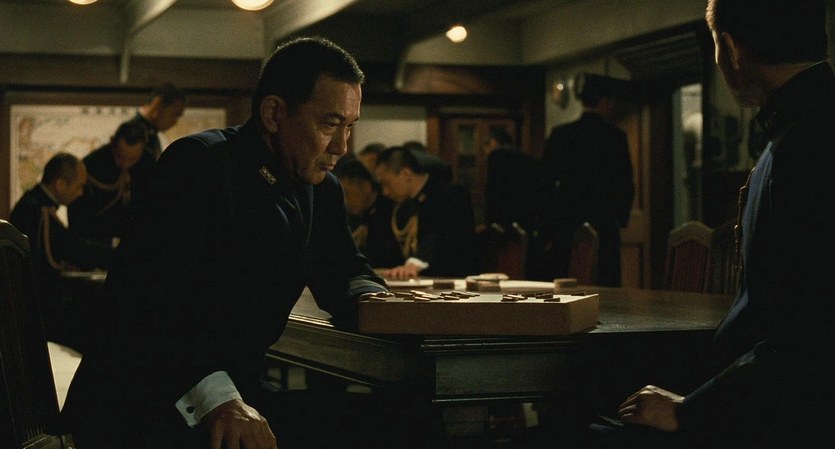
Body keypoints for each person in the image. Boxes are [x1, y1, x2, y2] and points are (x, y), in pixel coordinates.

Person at [61, 36, 390, 449]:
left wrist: (374, 299)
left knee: (391, 420)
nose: (342, 147)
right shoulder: (198, 165)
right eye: (329, 125)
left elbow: (345, 270)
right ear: (274, 113)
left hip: (235, 394)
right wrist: (220, 400)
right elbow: (148, 309)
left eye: (350, 127)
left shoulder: (321, 190)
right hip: (141, 399)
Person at [585, 1, 835, 448]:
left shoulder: (802, 148)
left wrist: (691, 409)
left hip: (782, 418)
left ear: (731, 48)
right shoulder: (801, 130)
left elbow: (810, 336)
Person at [9, 152, 115, 351]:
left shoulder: (35, 204)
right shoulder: (38, 211)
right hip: (39, 306)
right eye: (78, 186)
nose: (80, 193)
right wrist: (118, 255)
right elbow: (73, 249)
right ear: (60, 184)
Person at [539, 73, 634, 286]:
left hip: (567, 221)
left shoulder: (562, 135)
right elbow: (625, 183)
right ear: (604, 101)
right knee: (606, 284)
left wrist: (550, 224)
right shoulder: (615, 138)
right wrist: (619, 217)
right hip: (604, 220)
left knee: (568, 284)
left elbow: (545, 182)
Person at [374, 145, 477, 279]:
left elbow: (441, 237)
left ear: (406, 174)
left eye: (386, 183)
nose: (385, 192)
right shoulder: (402, 207)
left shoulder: (451, 194)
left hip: (453, 281)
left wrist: (416, 262)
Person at [67, 120, 153, 241]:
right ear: (112, 142)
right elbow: (79, 220)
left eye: (132, 159)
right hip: (95, 236)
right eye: (120, 156)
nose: (125, 164)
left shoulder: (148, 162)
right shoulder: (91, 166)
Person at [333, 157, 402, 268]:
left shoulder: (389, 211)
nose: (345, 202)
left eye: (346, 193)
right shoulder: (350, 216)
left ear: (366, 186)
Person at [482, 127, 547, 234]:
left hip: (503, 216)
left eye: (486, 145)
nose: (485, 152)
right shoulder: (528, 158)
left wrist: (489, 221)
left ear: (494, 142)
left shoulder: (497, 156)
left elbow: (493, 190)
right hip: (527, 215)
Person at [126, 82, 187, 160]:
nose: (175, 122)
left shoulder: (148, 132)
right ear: (157, 105)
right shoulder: (133, 133)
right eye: (175, 114)